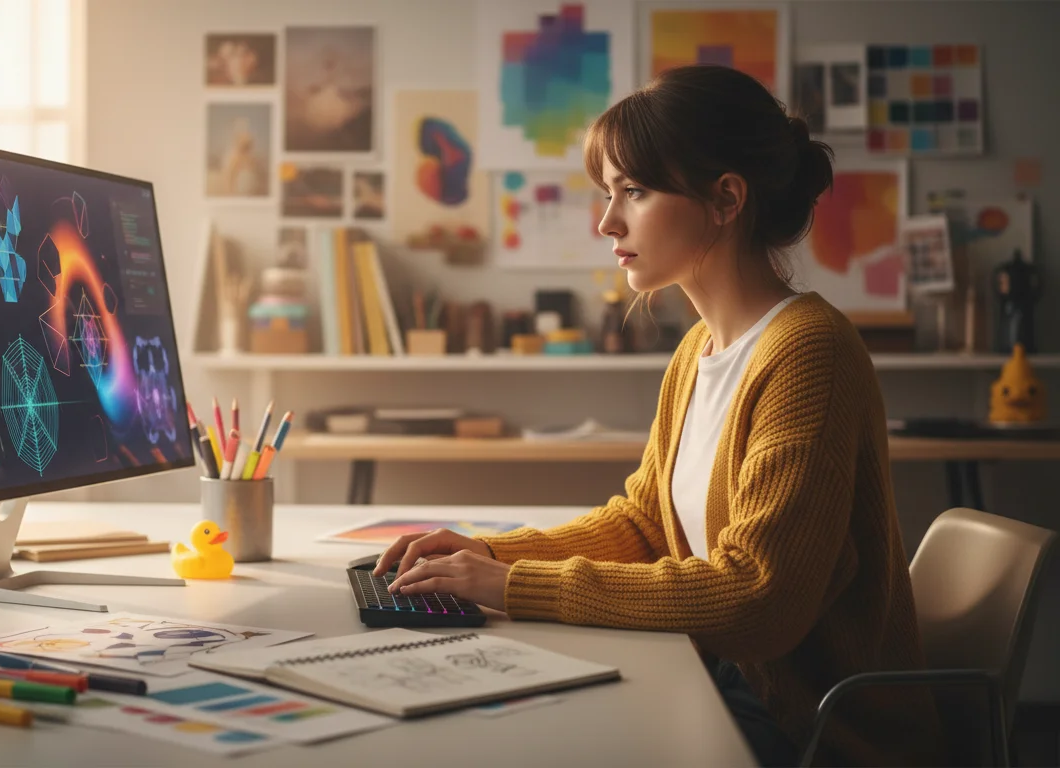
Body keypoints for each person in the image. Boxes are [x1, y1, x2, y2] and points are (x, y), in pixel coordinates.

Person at [375, 65, 940, 767]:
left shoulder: (808, 354)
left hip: (808, 731)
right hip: (728, 685)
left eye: (634, 192)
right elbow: (645, 526)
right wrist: (492, 555)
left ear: (725, 199)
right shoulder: (701, 348)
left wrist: (512, 586)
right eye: (608, 194)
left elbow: (757, 598)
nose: (607, 221)